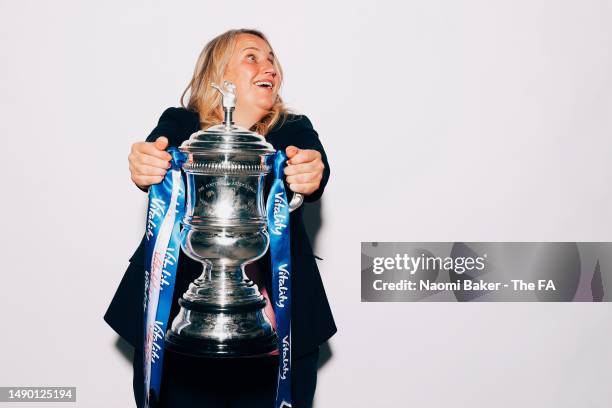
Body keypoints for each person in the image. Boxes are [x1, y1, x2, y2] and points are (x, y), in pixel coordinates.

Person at [103, 28, 337, 408]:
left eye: (272, 59)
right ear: (220, 75)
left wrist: (310, 173)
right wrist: (145, 162)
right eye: (252, 57)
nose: (269, 67)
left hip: (279, 325)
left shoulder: (293, 129)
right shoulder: (180, 124)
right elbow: (155, 150)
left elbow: (313, 164)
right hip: (179, 316)